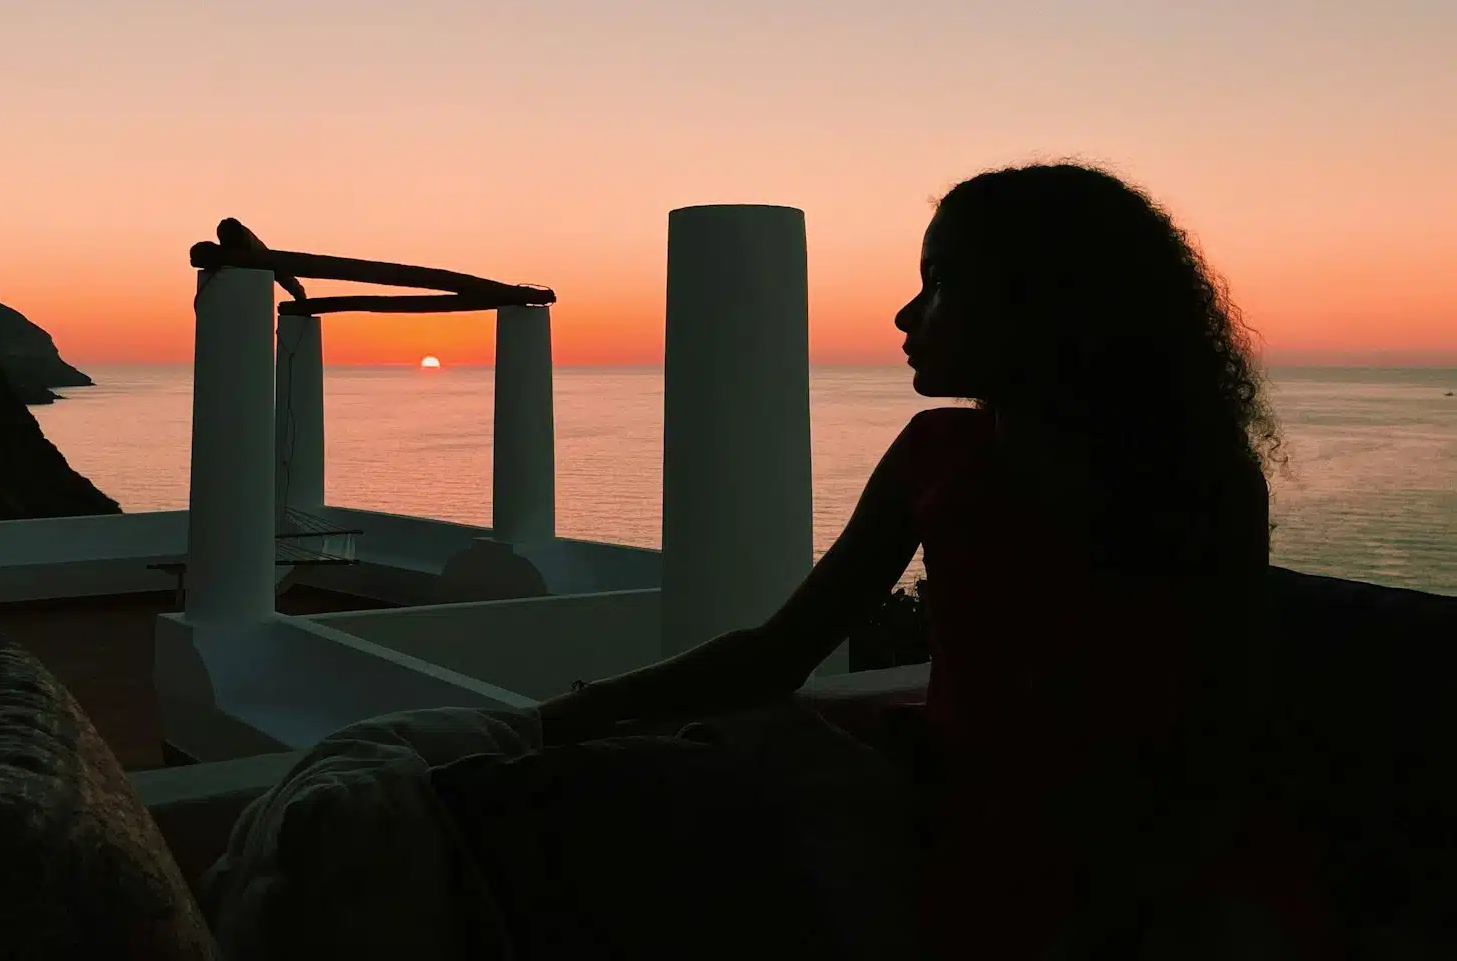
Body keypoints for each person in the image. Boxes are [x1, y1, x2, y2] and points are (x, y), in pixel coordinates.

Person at [540, 161, 1327, 956]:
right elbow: (779, 654)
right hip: (968, 822)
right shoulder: (938, 454)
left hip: (1098, 869)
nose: (904, 314)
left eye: (939, 283)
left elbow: (1210, 732)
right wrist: (577, 710)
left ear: (1040, 301)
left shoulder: (1196, 482)